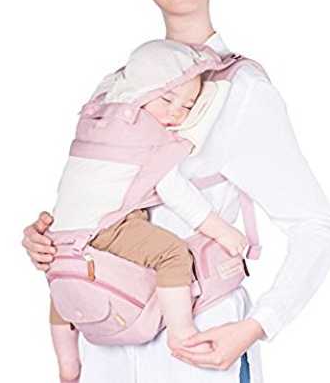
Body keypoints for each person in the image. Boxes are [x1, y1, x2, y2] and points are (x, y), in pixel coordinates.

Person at [22, 0, 330, 383]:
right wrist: (49, 238)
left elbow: (317, 226)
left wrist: (256, 327)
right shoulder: (116, 89)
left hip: (200, 343)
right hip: (107, 340)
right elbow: (100, 196)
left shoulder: (240, 90)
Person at [49, 39, 248, 382]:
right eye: (167, 100)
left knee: (65, 282)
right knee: (172, 254)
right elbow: (174, 191)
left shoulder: (99, 119)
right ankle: (181, 332)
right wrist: (223, 231)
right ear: (140, 92)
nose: (176, 113)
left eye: (188, 107)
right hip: (105, 228)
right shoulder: (142, 134)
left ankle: (67, 363)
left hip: (62, 233)